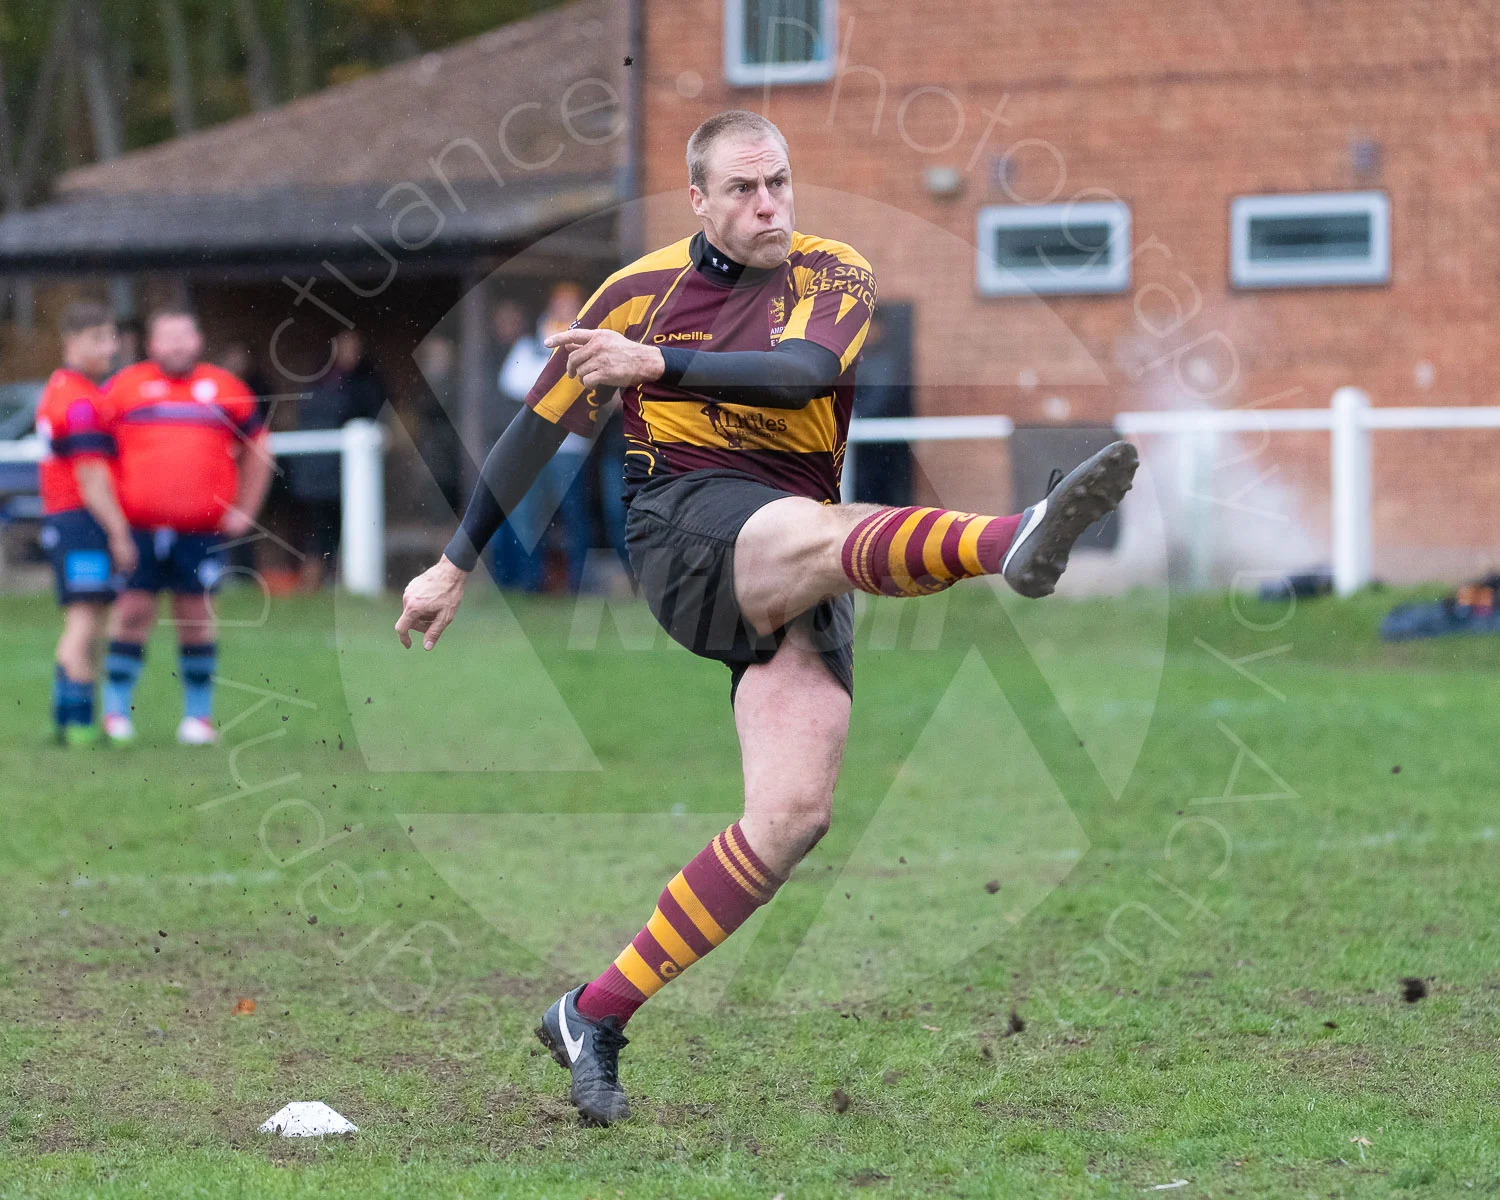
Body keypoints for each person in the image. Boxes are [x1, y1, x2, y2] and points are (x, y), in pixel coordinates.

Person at [394, 110, 1138, 1125]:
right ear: (697, 199)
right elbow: (532, 437)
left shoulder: (833, 275)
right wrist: (452, 565)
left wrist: (658, 367)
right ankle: (1010, 540)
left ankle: (591, 1012)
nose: (767, 205)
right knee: (828, 533)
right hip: (683, 529)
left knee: (790, 819)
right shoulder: (635, 296)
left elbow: (806, 375)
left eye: (779, 184)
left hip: (788, 540)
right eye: (742, 190)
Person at [101, 308, 274, 745]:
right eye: (167, 337)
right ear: (151, 344)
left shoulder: (224, 389)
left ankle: (198, 719)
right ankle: (115, 712)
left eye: (184, 336)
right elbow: (95, 452)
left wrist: (245, 510)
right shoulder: (125, 388)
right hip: (137, 529)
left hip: (200, 532)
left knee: (196, 617)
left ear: (197, 341)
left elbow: (259, 448)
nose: (176, 345)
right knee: (132, 613)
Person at [35, 301, 136, 745]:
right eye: (97, 338)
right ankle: (76, 724)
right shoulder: (78, 400)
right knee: (83, 623)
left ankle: (68, 719)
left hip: (70, 520)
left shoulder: (65, 388)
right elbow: (91, 476)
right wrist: (119, 532)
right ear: (70, 343)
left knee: (86, 619)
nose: (109, 347)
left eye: (111, 336)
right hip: (81, 521)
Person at [491, 283, 596, 593]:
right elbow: (513, 383)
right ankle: (531, 582)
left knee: (575, 518)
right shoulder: (530, 346)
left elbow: (590, 388)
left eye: (572, 305)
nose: (566, 310)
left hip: (572, 448)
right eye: (561, 304)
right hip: (536, 449)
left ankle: (578, 584)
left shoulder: (591, 341)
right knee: (530, 517)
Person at [284, 329, 386, 589]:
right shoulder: (318, 381)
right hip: (316, 472)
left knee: (346, 527)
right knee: (318, 529)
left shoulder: (366, 385)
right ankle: (314, 581)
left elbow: (372, 420)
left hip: (349, 474)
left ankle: (345, 580)